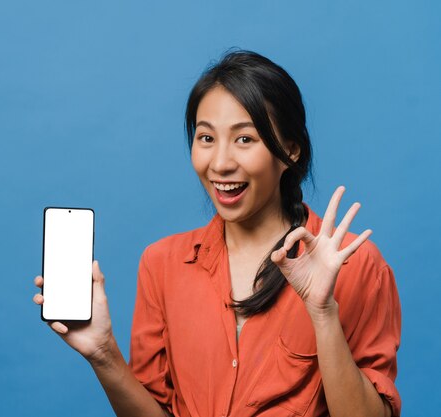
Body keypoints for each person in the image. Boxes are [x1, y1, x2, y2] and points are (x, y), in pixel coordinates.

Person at [32, 50, 401, 417]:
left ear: (289, 151)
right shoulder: (161, 264)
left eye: (245, 139)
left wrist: (322, 314)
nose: (221, 164)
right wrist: (104, 355)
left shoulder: (356, 266)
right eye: (206, 138)